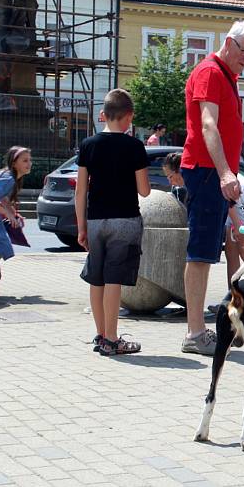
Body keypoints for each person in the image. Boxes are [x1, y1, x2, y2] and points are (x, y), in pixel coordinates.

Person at [179, 20, 244, 356]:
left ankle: (220, 324)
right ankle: (195, 333)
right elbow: (208, 124)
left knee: (223, 246)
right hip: (207, 172)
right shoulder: (211, 73)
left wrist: (229, 175)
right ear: (228, 43)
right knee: (200, 254)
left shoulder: (227, 76)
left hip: (215, 174)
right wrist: (227, 173)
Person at [75, 89, 151, 356]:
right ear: (128, 117)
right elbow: (144, 191)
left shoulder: (88, 145)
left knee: (96, 279)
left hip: (95, 220)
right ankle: (112, 338)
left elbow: (80, 190)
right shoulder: (134, 147)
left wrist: (81, 227)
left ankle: (100, 335)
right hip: (125, 220)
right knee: (113, 280)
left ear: (103, 115)